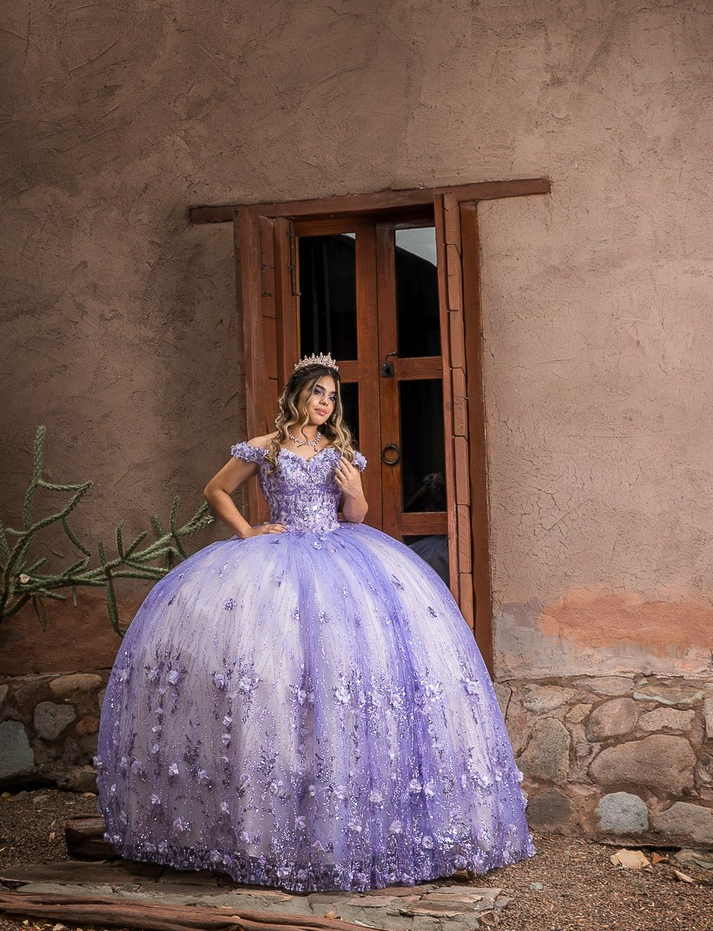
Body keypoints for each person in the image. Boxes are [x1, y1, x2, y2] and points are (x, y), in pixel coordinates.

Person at [94, 354, 533, 892]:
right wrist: (247, 533)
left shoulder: (340, 451)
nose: (325, 404)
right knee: (273, 675)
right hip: (275, 560)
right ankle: (261, 823)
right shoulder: (267, 446)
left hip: (342, 558)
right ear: (297, 396)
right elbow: (216, 490)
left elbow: (359, 516)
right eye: (318, 394)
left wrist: (353, 491)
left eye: (332, 397)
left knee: (345, 670)